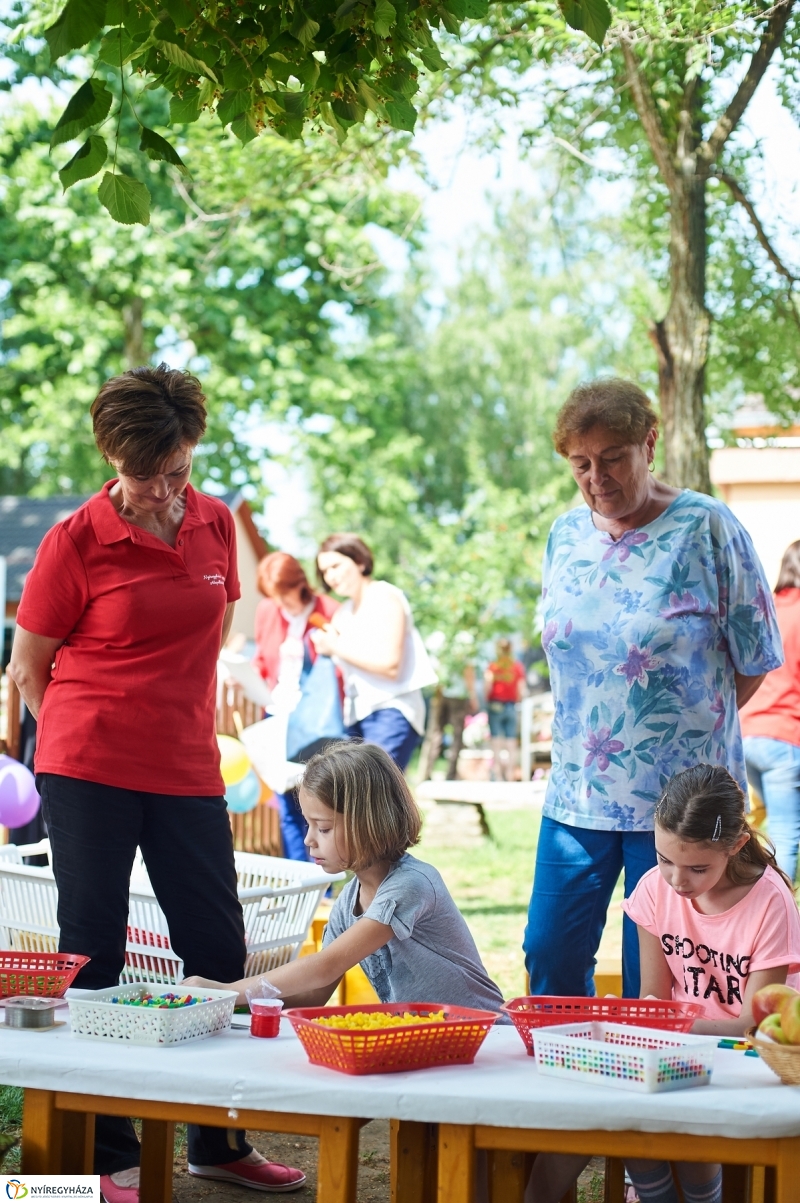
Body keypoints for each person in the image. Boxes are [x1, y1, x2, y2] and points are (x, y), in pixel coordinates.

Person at [8, 365, 304, 1203]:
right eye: (148, 476)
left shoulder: (213, 525)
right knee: (94, 947)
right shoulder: (74, 540)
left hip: (184, 764)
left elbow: (205, 642)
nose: (164, 489)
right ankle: (104, 1154)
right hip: (88, 763)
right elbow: (28, 666)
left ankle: (218, 1138)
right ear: (113, 457)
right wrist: (76, 737)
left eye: (177, 469)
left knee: (216, 946)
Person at [523, 378, 783, 1001]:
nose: (596, 477)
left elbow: (756, 656)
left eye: (612, 457)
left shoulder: (707, 527)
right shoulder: (565, 536)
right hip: (576, 793)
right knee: (548, 952)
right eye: (580, 464)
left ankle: (654, 1095)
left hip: (682, 806)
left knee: (660, 981)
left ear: (649, 440)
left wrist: (685, 729)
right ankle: (567, 1081)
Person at [531, 763, 800, 1203]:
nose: (676, 880)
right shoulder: (654, 889)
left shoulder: (770, 901)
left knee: (673, 1117)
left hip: (749, 1059)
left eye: (696, 868)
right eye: (663, 859)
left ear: (736, 845)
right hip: (681, 1050)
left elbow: (753, 1027)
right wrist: (637, 1020)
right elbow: (653, 999)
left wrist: (665, 1025)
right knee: (603, 1106)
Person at [187, 741, 504, 1013]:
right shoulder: (347, 904)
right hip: (429, 1039)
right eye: (309, 825)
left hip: (486, 1036)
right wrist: (237, 1003)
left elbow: (324, 966)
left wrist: (227, 991)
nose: (309, 839)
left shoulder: (411, 885)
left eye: (323, 828)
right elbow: (314, 993)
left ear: (367, 823)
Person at [311, 534, 437, 772]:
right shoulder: (343, 613)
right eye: (325, 571)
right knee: (358, 802)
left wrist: (334, 646)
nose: (331, 576)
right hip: (355, 717)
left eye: (336, 565)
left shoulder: (385, 596)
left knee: (373, 799)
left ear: (359, 561)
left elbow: (390, 665)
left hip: (391, 709)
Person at [252, 551, 339, 860]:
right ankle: (299, 875)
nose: (280, 602)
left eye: (283, 595)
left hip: (313, 718)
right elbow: (263, 659)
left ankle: (322, 881)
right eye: (273, 597)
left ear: (298, 583)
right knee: (286, 804)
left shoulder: (329, 610)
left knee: (317, 802)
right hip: (277, 714)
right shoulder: (267, 611)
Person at [741, 541, 800, 884]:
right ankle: (777, 917)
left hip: (748, 732)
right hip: (783, 737)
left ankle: (752, 900)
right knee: (785, 833)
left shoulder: (768, 608)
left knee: (763, 827)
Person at [484, 639, 526, 781]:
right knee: (511, 741)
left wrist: (487, 699)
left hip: (495, 705)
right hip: (511, 705)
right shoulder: (516, 666)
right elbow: (521, 688)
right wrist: (517, 699)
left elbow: (488, 686)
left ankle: (498, 775)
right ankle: (510, 774)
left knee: (496, 741)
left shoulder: (493, 666)